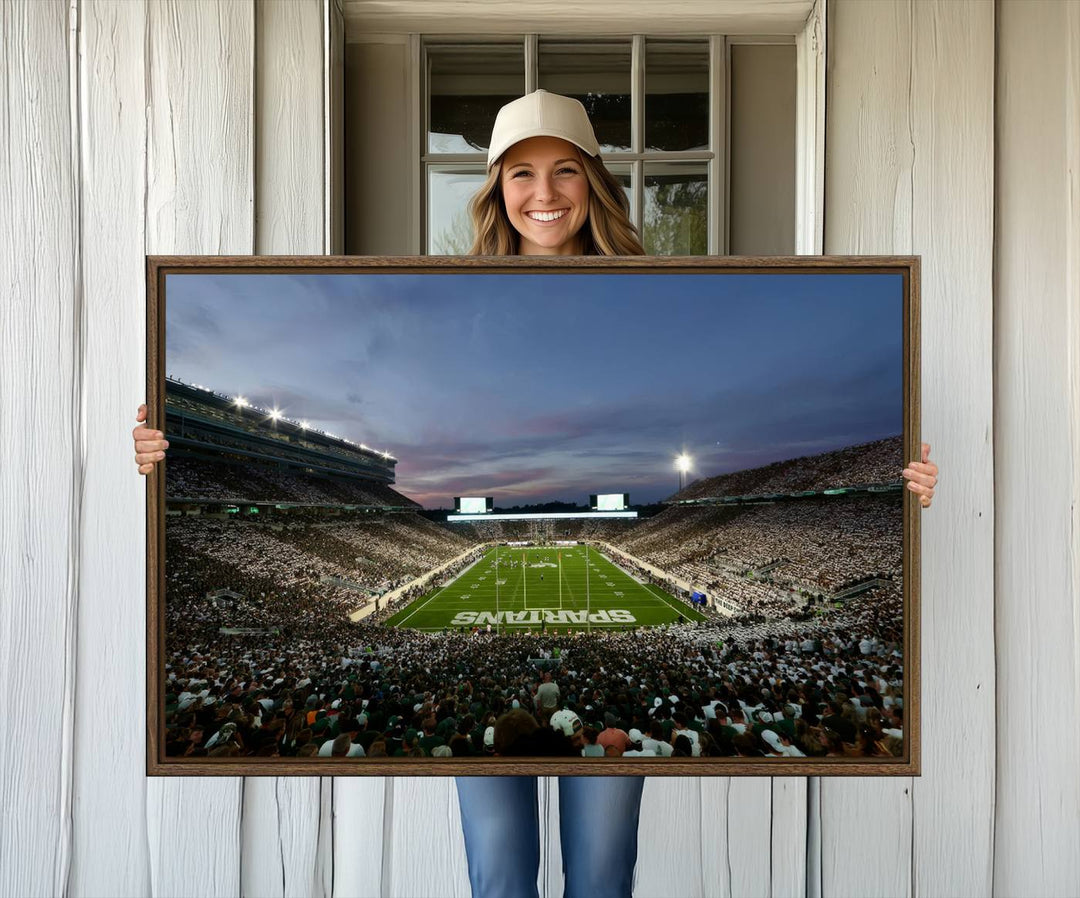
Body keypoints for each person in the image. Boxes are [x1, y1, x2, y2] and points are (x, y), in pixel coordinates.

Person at [131, 89, 940, 898]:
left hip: (602, 710)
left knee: (600, 875)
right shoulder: (458, 294)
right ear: (495, 188)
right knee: (500, 874)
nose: (544, 193)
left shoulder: (652, 289)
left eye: (564, 171)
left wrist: (902, 487)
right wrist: (162, 448)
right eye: (521, 173)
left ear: (594, 181)